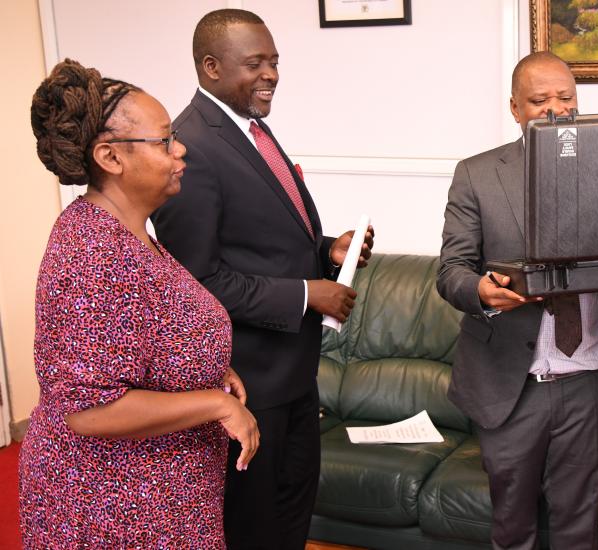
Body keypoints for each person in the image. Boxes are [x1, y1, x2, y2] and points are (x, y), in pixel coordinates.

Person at [151, 9, 373, 549]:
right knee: (257, 531)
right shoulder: (190, 147)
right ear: (210, 67)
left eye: (274, 61)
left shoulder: (251, 129)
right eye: (255, 63)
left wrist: (326, 251)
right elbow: (198, 281)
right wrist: (305, 295)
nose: (271, 73)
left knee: (293, 517)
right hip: (248, 385)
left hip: (294, 377)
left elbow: (261, 241)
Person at [19, 59, 259, 549]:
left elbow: (147, 334)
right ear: (111, 157)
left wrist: (207, 368)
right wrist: (213, 402)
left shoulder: (129, 232)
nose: (180, 149)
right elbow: (89, 410)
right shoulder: (92, 251)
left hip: (162, 498)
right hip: (113, 507)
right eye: (164, 140)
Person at [436, 52, 598, 550]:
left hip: (590, 379)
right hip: (512, 383)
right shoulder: (477, 175)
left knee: (579, 525)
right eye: (539, 100)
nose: (555, 109)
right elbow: (451, 271)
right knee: (513, 527)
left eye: (566, 97)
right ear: (514, 108)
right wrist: (482, 293)